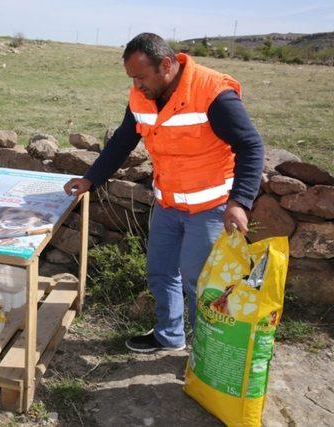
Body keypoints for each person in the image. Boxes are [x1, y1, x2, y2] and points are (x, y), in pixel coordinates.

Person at [64, 33, 264, 353]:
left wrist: (240, 201)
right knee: (161, 272)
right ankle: (169, 336)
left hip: (210, 209)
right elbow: (121, 142)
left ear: (166, 66)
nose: (136, 85)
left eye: (141, 76)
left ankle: (207, 353)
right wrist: (91, 178)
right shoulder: (140, 96)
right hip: (167, 204)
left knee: (201, 285)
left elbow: (251, 145)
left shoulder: (213, 92)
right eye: (132, 78)